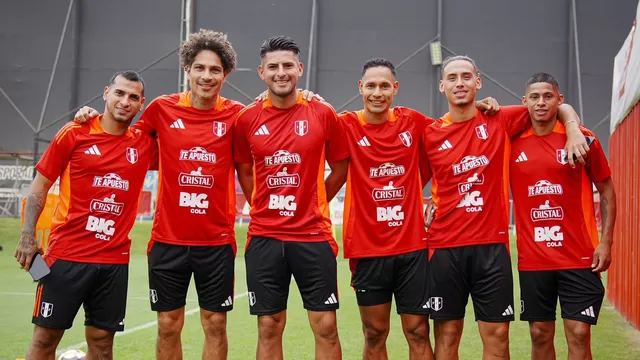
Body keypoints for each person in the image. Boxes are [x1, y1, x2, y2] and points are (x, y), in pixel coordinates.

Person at [72, 30, 320, 360]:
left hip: (216, 243)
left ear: (225, 74)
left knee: (215, 323)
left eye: (214, 70)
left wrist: (308, 98)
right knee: (168, 324)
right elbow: (122, 135)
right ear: (187, 69)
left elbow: (278, 110)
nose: (206, 76)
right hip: (168, 241)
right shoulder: (161, 109)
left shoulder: (239, 115)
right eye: (199, 68)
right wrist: (90, 119)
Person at [419, 55, 589, 360]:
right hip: (444, 247)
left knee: (497, 336)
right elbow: (405, 178)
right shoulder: (429, 134)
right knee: (447, 334)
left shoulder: (501, 119)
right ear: (442, 85)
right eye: (453, 78)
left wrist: (573, 128)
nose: (460, 83)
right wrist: (425, 201)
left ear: (478, 81)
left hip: (492, 248)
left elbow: (553, 105)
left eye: (467, 77)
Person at [14, 70, 156, 360]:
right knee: (44, 340)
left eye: (133, 97)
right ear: (106, 93)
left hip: (113, 262)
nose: (124, 101)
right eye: (119, 93)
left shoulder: (143, 144)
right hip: (66, 257)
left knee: (103, 343)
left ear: (141, 104)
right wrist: (28, 235)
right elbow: (40, 186)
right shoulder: (74, 132)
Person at [233, 35, 349, 360]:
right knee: (269, 326)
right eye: (273, 67)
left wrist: (312, 201)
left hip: (313, 235)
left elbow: (340, 168)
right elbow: (244, 170)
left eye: (287, 65)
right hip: (265, 237)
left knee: (326, 325)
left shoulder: (323, 112)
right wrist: (262, 203)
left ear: (299, 68)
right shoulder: (246, 118)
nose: (280, 72)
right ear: (261, 72)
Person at [510, 73, 616, 360]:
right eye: (534, 97)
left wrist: (605, 243)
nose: (541, 102)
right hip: (534, 260)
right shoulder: (511, 142)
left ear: (560, 100)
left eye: (548, 96)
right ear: (525, 103)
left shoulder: (583, 140)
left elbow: (607, 189)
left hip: (579, 256)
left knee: (579, 333)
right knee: (539, 335)